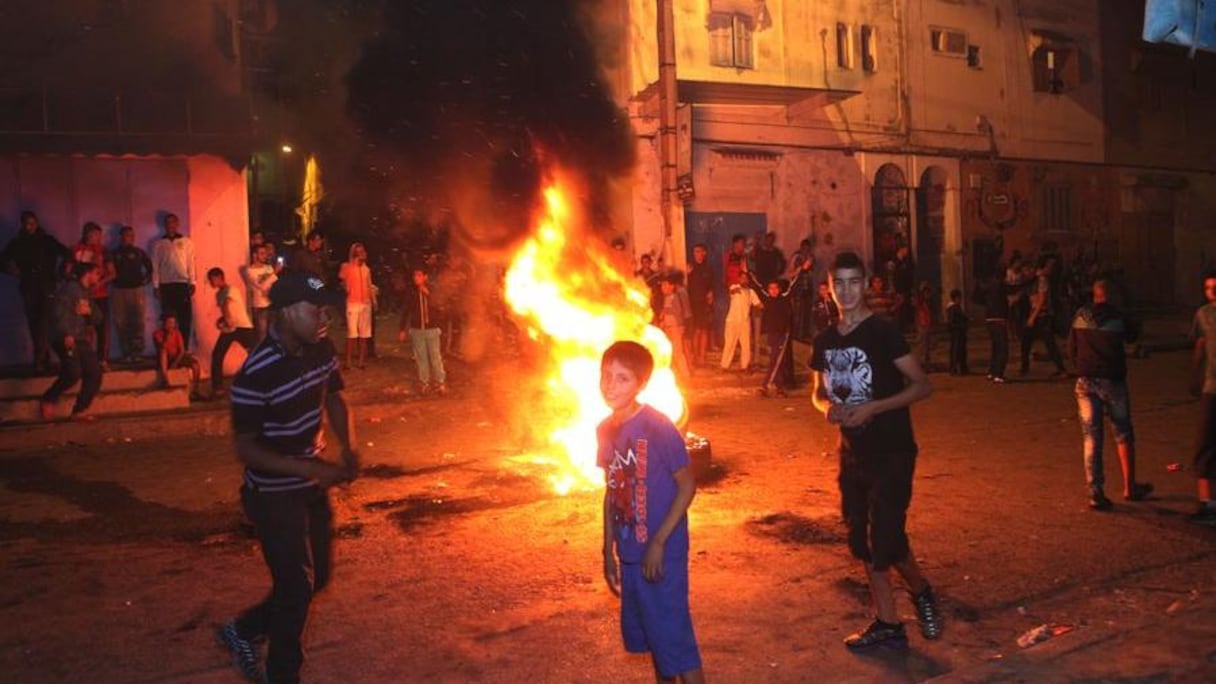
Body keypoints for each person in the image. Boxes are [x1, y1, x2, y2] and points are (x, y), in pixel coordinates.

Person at [217, 271, 359, 684]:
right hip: (273, 495)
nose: (324, 319)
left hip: (309, 486)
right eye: (317, 310)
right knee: (296, 587)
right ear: (288, 312)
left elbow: (334, 396)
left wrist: (348, 447)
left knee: (319, 579)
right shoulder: (255, 372)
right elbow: (246, 448)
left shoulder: (320, 348)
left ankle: (243, 630)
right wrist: (310, 468)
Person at [809, 251, 941, 650]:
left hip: (893, 450)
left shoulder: (883, 332)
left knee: (886, 536)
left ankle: (921, 590)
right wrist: (827, 408)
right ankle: (888, 622)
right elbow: (816, 394)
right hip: (852, 453)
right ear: (828, 288)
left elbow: (922, 385)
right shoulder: (825, 341)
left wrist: (873, 407)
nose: (846, 291)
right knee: (862, 541)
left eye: (854, 282)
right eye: (839, 283)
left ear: (866, 284)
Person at [597, 340, 704, 684]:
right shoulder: (604, 429)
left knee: (676, 641)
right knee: (656, 641)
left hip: (662, 553)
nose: (611, 385)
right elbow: (610, 490)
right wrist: (608, 551)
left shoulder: (658, 427)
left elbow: (687, 485)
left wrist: (658, 542)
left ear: (641, 383)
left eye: (623, 378)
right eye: (606, 376)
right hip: (629, 555)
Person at [1067, 278, 1152, 510]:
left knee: (1091, 436)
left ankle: (1095, 492)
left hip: (1084, 381)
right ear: (1112, 295)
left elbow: (1071, 349)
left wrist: (1081, 367)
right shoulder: (1118, 317)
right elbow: (1134, 335)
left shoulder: (1080, 315)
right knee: (1123, 431)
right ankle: (1129, 486)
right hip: (1112, 380)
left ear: (1094, 294)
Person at [0, 211, 72, 372]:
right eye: (27, 223)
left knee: (45, 322)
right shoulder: (18, 243)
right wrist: (14, 271)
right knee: (35, 323)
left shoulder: (47, 241)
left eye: (32, 223)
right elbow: (2, 260)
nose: (29, 226)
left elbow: (67, 253)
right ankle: (43, 358)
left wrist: (62, 272)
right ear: (23, 225)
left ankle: (41, 360)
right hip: (29, 286)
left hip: (46, 285)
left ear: (37, 223)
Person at [39, 262, 104, 422]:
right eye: (96, 273)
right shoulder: (69, 290)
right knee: (72, 373)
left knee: (94, 373)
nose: (98, 277)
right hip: (65, 337)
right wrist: (66, 333)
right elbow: (59, 313)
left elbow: (98, 318)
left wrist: (89, 313)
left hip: (81, 338)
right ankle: (48, 398)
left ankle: (79, 410)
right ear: (87, 273)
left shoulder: (86, 293)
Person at [749, 258, 810, 396]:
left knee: (776, 361)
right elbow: (756, 286)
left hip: (783, 334)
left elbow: (794, 285)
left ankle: (766, 386)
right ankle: (777, 388)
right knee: (776, 361)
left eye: (776, 288)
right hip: (772, 334)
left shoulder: (785, 297)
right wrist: (747, 273)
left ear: (779, 289)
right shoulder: (766, 298)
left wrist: (802, 270)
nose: (773, 291)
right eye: (771, 288)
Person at [1187, 272, 1216, 526]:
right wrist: (1195, 374)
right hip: (1211, 387)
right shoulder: (1203, 314)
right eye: (1208, 288)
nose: (1212, 292)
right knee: (1204, 445)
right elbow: (1200, 344)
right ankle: (1206, 502)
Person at [207, 267, 256, 400]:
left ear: (218, 278)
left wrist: (227, 320)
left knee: (254, 354)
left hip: (242, 327)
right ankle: (218, 388)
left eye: (211, 279)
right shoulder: (218, 294)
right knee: (217, 354)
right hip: (229, 329)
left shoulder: (231, 290)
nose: (210, 282)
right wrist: (222, 321)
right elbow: (225, 310)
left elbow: (227, 305)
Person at [398, 267, 447, 395]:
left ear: (425, 277)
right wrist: (402, 329)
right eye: (415, 276)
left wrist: (428, 294)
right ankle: (424, 382)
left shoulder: (433, 290)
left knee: (435, 356)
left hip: (432, 328)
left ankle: (440, 382)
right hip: (417, 329)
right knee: (421, 358)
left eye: (419, 276)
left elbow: (440, 306)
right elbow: (406, 311)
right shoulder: (411, 292)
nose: (416, 278)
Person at [151, 213, 197, 350]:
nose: (170, 225)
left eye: (173, 222)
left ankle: (184, 350)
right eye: (168, 222)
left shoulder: (187, 242)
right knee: (167, 318)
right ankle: (168, 349)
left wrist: (193, 282)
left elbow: (191, 263)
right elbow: (155, 265)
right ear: (164, 225)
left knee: (184, 318)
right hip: (166, 285)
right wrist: (156, 286)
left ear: (177, 224)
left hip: (182, 284)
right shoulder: (158, 244)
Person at [72, 222, 115, 366]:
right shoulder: (76, 250)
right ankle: (85, 360)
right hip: (82, 296)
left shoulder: (103, 250)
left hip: (100, 295)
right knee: (84, 329)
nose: (98, 238)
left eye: (99, 235)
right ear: (87, 234)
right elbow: (68, 271)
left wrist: (99, 283)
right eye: (95, 235)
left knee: (102, 328)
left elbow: (113, 273)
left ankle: (102, 359)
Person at [110, 225, 153, 362]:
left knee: (138, 321)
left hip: (136, 290)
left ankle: (137, 353)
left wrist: (147, 279)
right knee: (120, 321)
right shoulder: (113, 253)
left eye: (132, 235)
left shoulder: (139, 252)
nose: (130, 238)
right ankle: (126, 353)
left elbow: (150, 268)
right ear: (121, 237)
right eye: (127, 235)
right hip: (118, 290)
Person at [1019, 256, 1067, 378]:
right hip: (1034, 314)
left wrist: (1032, 317)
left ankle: (1061, 369)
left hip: (1041, 315)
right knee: (1026, 342)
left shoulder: (1041, 280)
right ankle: (1025, 368)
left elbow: (1042, 299)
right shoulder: (1033, 280)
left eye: (1027, 270)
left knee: (1049, 343)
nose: (1026, 273)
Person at [721, 235, 757, 372]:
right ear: (735, 244)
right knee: (730, 340)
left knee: (746, 341)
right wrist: (731, 286)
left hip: (745, 291)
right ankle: (724, 365)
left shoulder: (744, 258)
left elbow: (748, 273)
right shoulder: (728, 256)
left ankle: (745, 365)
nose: (742, 246)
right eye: (740, 244)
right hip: (733, 290)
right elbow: (726, 273)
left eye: (743, 244)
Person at [338, 242, 376, 370]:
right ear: (354, 253)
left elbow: (369, 285)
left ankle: (361, 362)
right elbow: (341, 281)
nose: (361, 254)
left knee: (364, 334)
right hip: (352, 303)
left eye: (362, 251)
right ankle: (348, 362)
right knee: (352, 334)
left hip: (365, 303)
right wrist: (346, 287)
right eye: (358, 252)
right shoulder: (347, 266)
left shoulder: (366, 269)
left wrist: (373, 301)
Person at [153, 312, 202, 398]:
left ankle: (195, 390)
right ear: (164, 323)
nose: (171, 325)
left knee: (195, 365)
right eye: (169, 323)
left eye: (173, 323)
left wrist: (176, 362)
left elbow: (182, 350)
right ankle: (165, 379)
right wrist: (167, 335)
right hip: (165, 359)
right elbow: (162, 346)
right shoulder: (157, 333)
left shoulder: (177, 333)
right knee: (163, 352)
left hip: (176, 357)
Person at [657, 271, 692, 382]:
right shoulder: (666, 298)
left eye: (665, 285)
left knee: (678, 352)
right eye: (662, 285)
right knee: (670, 351)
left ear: (671, 286)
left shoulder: (676, 297)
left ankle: (686, 375)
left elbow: (678, 313)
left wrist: (680, 326)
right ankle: (675, 374)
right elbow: (666, 312)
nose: (662, 287)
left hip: (675, 327)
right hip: (668, 328)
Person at [978, 271, 1010, 383]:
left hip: (990, 319)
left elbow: (978, 299)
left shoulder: (987, 287)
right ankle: (998, 374)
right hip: (999, 319)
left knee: (996, 348)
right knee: (1002, 349)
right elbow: (1013, 288)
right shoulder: (1000, 286)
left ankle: (992, 372)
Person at [685, 244, 714, 367]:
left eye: (699, 251)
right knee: (696, 331)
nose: (697, 254)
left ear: (704, 253)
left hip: (704, 303)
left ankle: (702, 357)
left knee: (704, 330)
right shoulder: (690, 268)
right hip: (693, 303)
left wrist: (711, 293)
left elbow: (711, 285)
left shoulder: (708, 268)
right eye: (695, 251)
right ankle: (695, 357)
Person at [243, 243, 278, 343]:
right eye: (262, 253)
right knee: (262, 336)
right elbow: (261, 286)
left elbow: (274, 283)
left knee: (273, 333)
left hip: (272, 304)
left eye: (265, 253)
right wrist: (274, 274)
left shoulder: (268, 267)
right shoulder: (250, 271)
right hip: (260, 306)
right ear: (255, 255)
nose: (265, 256)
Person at [945, 288, 969, 375]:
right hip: (957, 332)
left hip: (958, 331)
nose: (960, 300)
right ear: (955, 298)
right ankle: (955, 368)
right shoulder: (953, 308)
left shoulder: (955, 307)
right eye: (959, 298)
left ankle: (959, 368)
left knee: (959, 350)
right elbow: (952, 321)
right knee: (957, 350)